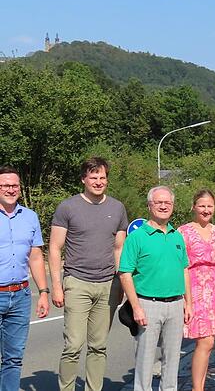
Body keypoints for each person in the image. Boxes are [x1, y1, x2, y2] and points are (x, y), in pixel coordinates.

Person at [48, 157, 128, 391]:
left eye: (102, 177)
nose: (98, 181)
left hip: (107, 285)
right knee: (73, 345)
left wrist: (121, 283)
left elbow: (119, 248)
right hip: (77, 282)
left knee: (98, 345)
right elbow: (55, 247)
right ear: (84, 179)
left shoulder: (117, 207)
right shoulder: (68, 207)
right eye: (93, 177)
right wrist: (56, 285)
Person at [118, 185, 192, 391]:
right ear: (150, 205)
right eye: (159, 202)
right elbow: (125, 274)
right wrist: (136, 308)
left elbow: (184, 270)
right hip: (147, 304)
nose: (163, 206)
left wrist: (189, 303)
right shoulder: (137, 237)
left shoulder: (177, 236)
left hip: (176, 304)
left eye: (167, 203)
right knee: (145, 361)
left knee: (172, 361)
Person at [0, 166, 49, 391]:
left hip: (20, 296)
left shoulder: (30, 217)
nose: (11, 189)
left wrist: (43, 293)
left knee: (13, 359)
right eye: (5, 185)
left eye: (14, 185)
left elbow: (36, 257)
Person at [178, 189, 215, 391]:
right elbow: (179, 265)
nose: (206, 210)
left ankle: (200, 385)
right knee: (205, 342)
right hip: (194, 288)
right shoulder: (183, 232)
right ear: (194, 207)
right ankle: (196, 388)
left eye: (209, 206)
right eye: (202, 205)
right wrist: (184, 297)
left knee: (207, 343)